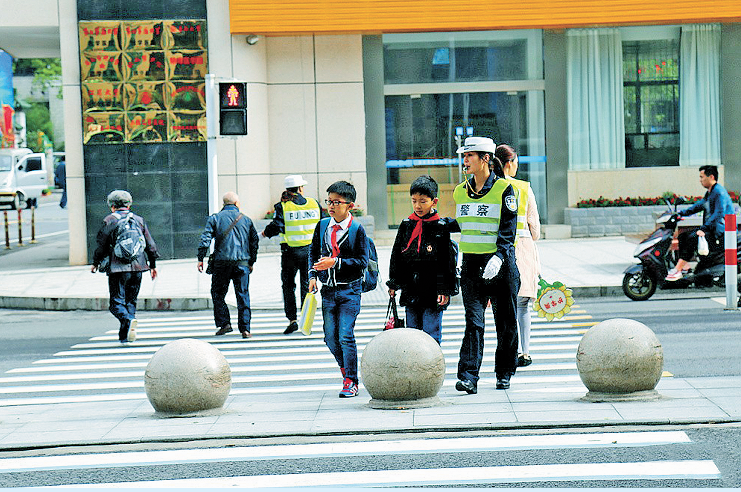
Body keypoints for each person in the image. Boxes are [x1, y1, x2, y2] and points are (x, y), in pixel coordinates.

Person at [448, 136, 520, 394]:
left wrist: (499, 256)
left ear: (485, 159)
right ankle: (468, 376)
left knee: (506, 321)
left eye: (470, 156)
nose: (465, 161)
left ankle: (504, 372)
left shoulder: (504, 189)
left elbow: (508, 228)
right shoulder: (459, 190)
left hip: (500, 264)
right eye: (464, 156)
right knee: (473, 322)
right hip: (471, 266)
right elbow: (464, 222)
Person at [308, 180, 368, 398]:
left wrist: (336, 263)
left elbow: (362, 261)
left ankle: (351, 380)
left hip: (350, 291)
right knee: (329, 338)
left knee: (345, 336)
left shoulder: (356, 229)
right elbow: (313, 253)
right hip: (328, 291)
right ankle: (345, 372)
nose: (331, 206)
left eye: (337, 202)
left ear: (350, 205)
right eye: (329, 201)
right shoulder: (323, 226)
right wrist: (313, 275)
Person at [386, 175, 457, 344]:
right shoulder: (406, 225)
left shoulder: (440, 227)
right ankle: (415, 370)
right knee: (412, 335)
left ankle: (432, 369)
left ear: (434, 201)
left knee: (431, 334)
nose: (417, 205)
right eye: (414, 200)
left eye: (423, 201)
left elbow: (446, 262)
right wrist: (394, 284)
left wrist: (444, 289)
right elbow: (397, 256)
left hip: (433, 291)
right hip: (411, 289)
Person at [91, 190, 159, 343]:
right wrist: (152, 265)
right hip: (139, 266)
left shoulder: (110, 220)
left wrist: (96, 262)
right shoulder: (138, 220)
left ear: (112, 206)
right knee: (131, 301)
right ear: (129, 204)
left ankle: (127, 320)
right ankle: (125, 335)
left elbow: (101, 246)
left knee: (116, 303)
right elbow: (151, 245)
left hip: (118, 268)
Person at [260, 175, 322, 334]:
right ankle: (305, 319)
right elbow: (324, 224)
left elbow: (277, 225)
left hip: (290, 252)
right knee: (306, 285)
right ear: (301, 188)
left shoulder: (283, 206)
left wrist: (265, 234)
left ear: (288, 189)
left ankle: (292, 319)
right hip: (310, 252)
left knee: (288, 285)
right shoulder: (314, 204)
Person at [499, 144, 541, 368]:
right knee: (523, 305)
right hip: (522, 247)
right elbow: (535, 227)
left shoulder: (490, 187)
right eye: (515, 162)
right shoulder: (523, 188)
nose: (516, 166)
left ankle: (507, 351)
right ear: (509, 163)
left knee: (504, 307)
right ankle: (524, 352)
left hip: (498, 250)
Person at [197, 192, 259, 338]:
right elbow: (254, 243)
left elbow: (205, 239)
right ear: (237, 203)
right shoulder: (246, 220)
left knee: (218, 293)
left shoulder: (215, 218)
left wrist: (200, 258)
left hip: (221, 263)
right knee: (242, 294)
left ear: (223, 204)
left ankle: (224, 324)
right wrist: (251, 262)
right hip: (242, 263)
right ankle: (245, 329)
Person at [665, 165, 735, 281]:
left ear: (711, 177)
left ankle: (677, 269)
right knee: (683, 236)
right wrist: (681, 213)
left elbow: (719, 214)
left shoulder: (719, 192)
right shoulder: (710, 193)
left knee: (692, 238)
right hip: (711, 229)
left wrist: (703, 228)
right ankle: (684, 268)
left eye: (702, 177)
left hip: (719, 233)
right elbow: (699, 205)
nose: (700, 180)